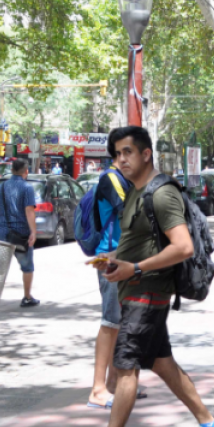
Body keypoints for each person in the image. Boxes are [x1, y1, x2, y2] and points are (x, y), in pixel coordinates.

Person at [62, 126, 214, 427]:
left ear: (146, 154)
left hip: (146, 294)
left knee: (124, 371)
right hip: (136, 292)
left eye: (127, 152)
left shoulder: (161, 193)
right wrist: (113, 258)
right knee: (163, 364)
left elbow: (182, 246)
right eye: (116, 154)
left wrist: (134, 268)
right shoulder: (136, 192)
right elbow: (141, 243)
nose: (120, 160)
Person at [86, 157, 132, 409]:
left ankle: (113, 384)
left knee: (120, 322)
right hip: (112, 256)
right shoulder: (112, 178)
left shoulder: (122, 178)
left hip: (121, 256)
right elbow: (129, 212)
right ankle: (98, 389)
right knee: (111, 322)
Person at [0, 159, 40, 307]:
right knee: (27, 267)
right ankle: (27, 297)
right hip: (21, 234)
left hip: (1, 232)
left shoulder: (0, 188)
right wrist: (33, 231)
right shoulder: (27, 188)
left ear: (12, 170)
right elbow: (29, 211)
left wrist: (3, 223)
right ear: (26, 171)